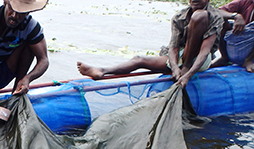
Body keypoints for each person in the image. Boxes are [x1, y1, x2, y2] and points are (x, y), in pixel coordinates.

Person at [77, 0, 224, 88]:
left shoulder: (215, 16)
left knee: (200, 15)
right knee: (139, 59)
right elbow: (173, 46)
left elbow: (205, 51)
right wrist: (173, 67)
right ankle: (102, 70)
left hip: (200, 60)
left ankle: (184, 66)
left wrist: (187, 74)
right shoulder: (179, 17)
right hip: (179, 56)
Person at [211, 0, 254, 72]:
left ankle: (249, 60)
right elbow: (217, 12)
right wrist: (236, 16)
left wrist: (248, 60)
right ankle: (224, 57)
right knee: (219, 20)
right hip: (241, 43)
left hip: (250, 51)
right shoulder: (245, 2)